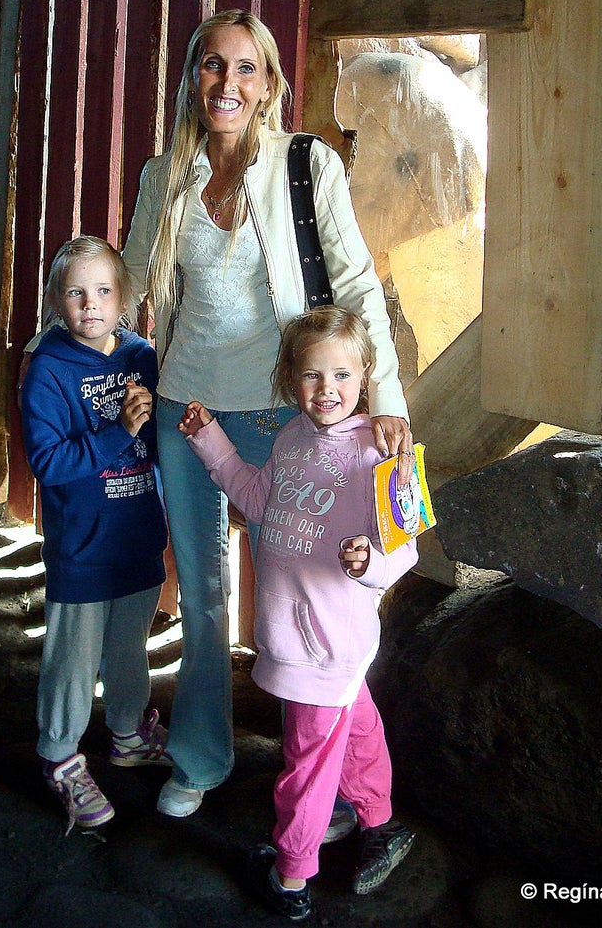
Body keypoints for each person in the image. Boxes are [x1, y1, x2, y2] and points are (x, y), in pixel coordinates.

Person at [122, 8, 413, 820]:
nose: (227, 82)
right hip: (189, 413)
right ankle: (200, 756)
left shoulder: (304, 165)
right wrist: (85, 358)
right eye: (212, 65)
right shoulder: (163, 177)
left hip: (291, 419)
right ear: (191, 79)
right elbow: (130, 283)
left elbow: (354, 287)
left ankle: (331, 781)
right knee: (207, 595)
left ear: (268, 84)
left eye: (245, 68)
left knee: (311, 593)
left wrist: (383, 402)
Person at [179, 307, 418, 920]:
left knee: (305, 766)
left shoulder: (385, 452)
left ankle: (291, 876)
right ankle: (380, 819)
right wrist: (211, 439)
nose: (327, 390)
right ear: (290, 380)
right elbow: (256, 499)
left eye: (341, 374)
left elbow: (406, 545)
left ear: (364, 376)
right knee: (357, 725)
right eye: (312, 376)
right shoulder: (289, 439)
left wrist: (371, 565)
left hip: (328, 641)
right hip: (299, 635)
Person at [20, 235, 172, 834]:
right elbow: (49, 463)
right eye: (77, 292)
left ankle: (130, 734)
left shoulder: (141, 356)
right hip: (82, 547)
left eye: (104, 290)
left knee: (130, 647)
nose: (91, 304)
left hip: (136, 537)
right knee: (73, 662)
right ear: (57, 300)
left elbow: (160, 443)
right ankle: (59, 757)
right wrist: (116, 432)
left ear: (124, 297)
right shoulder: (50, 370)